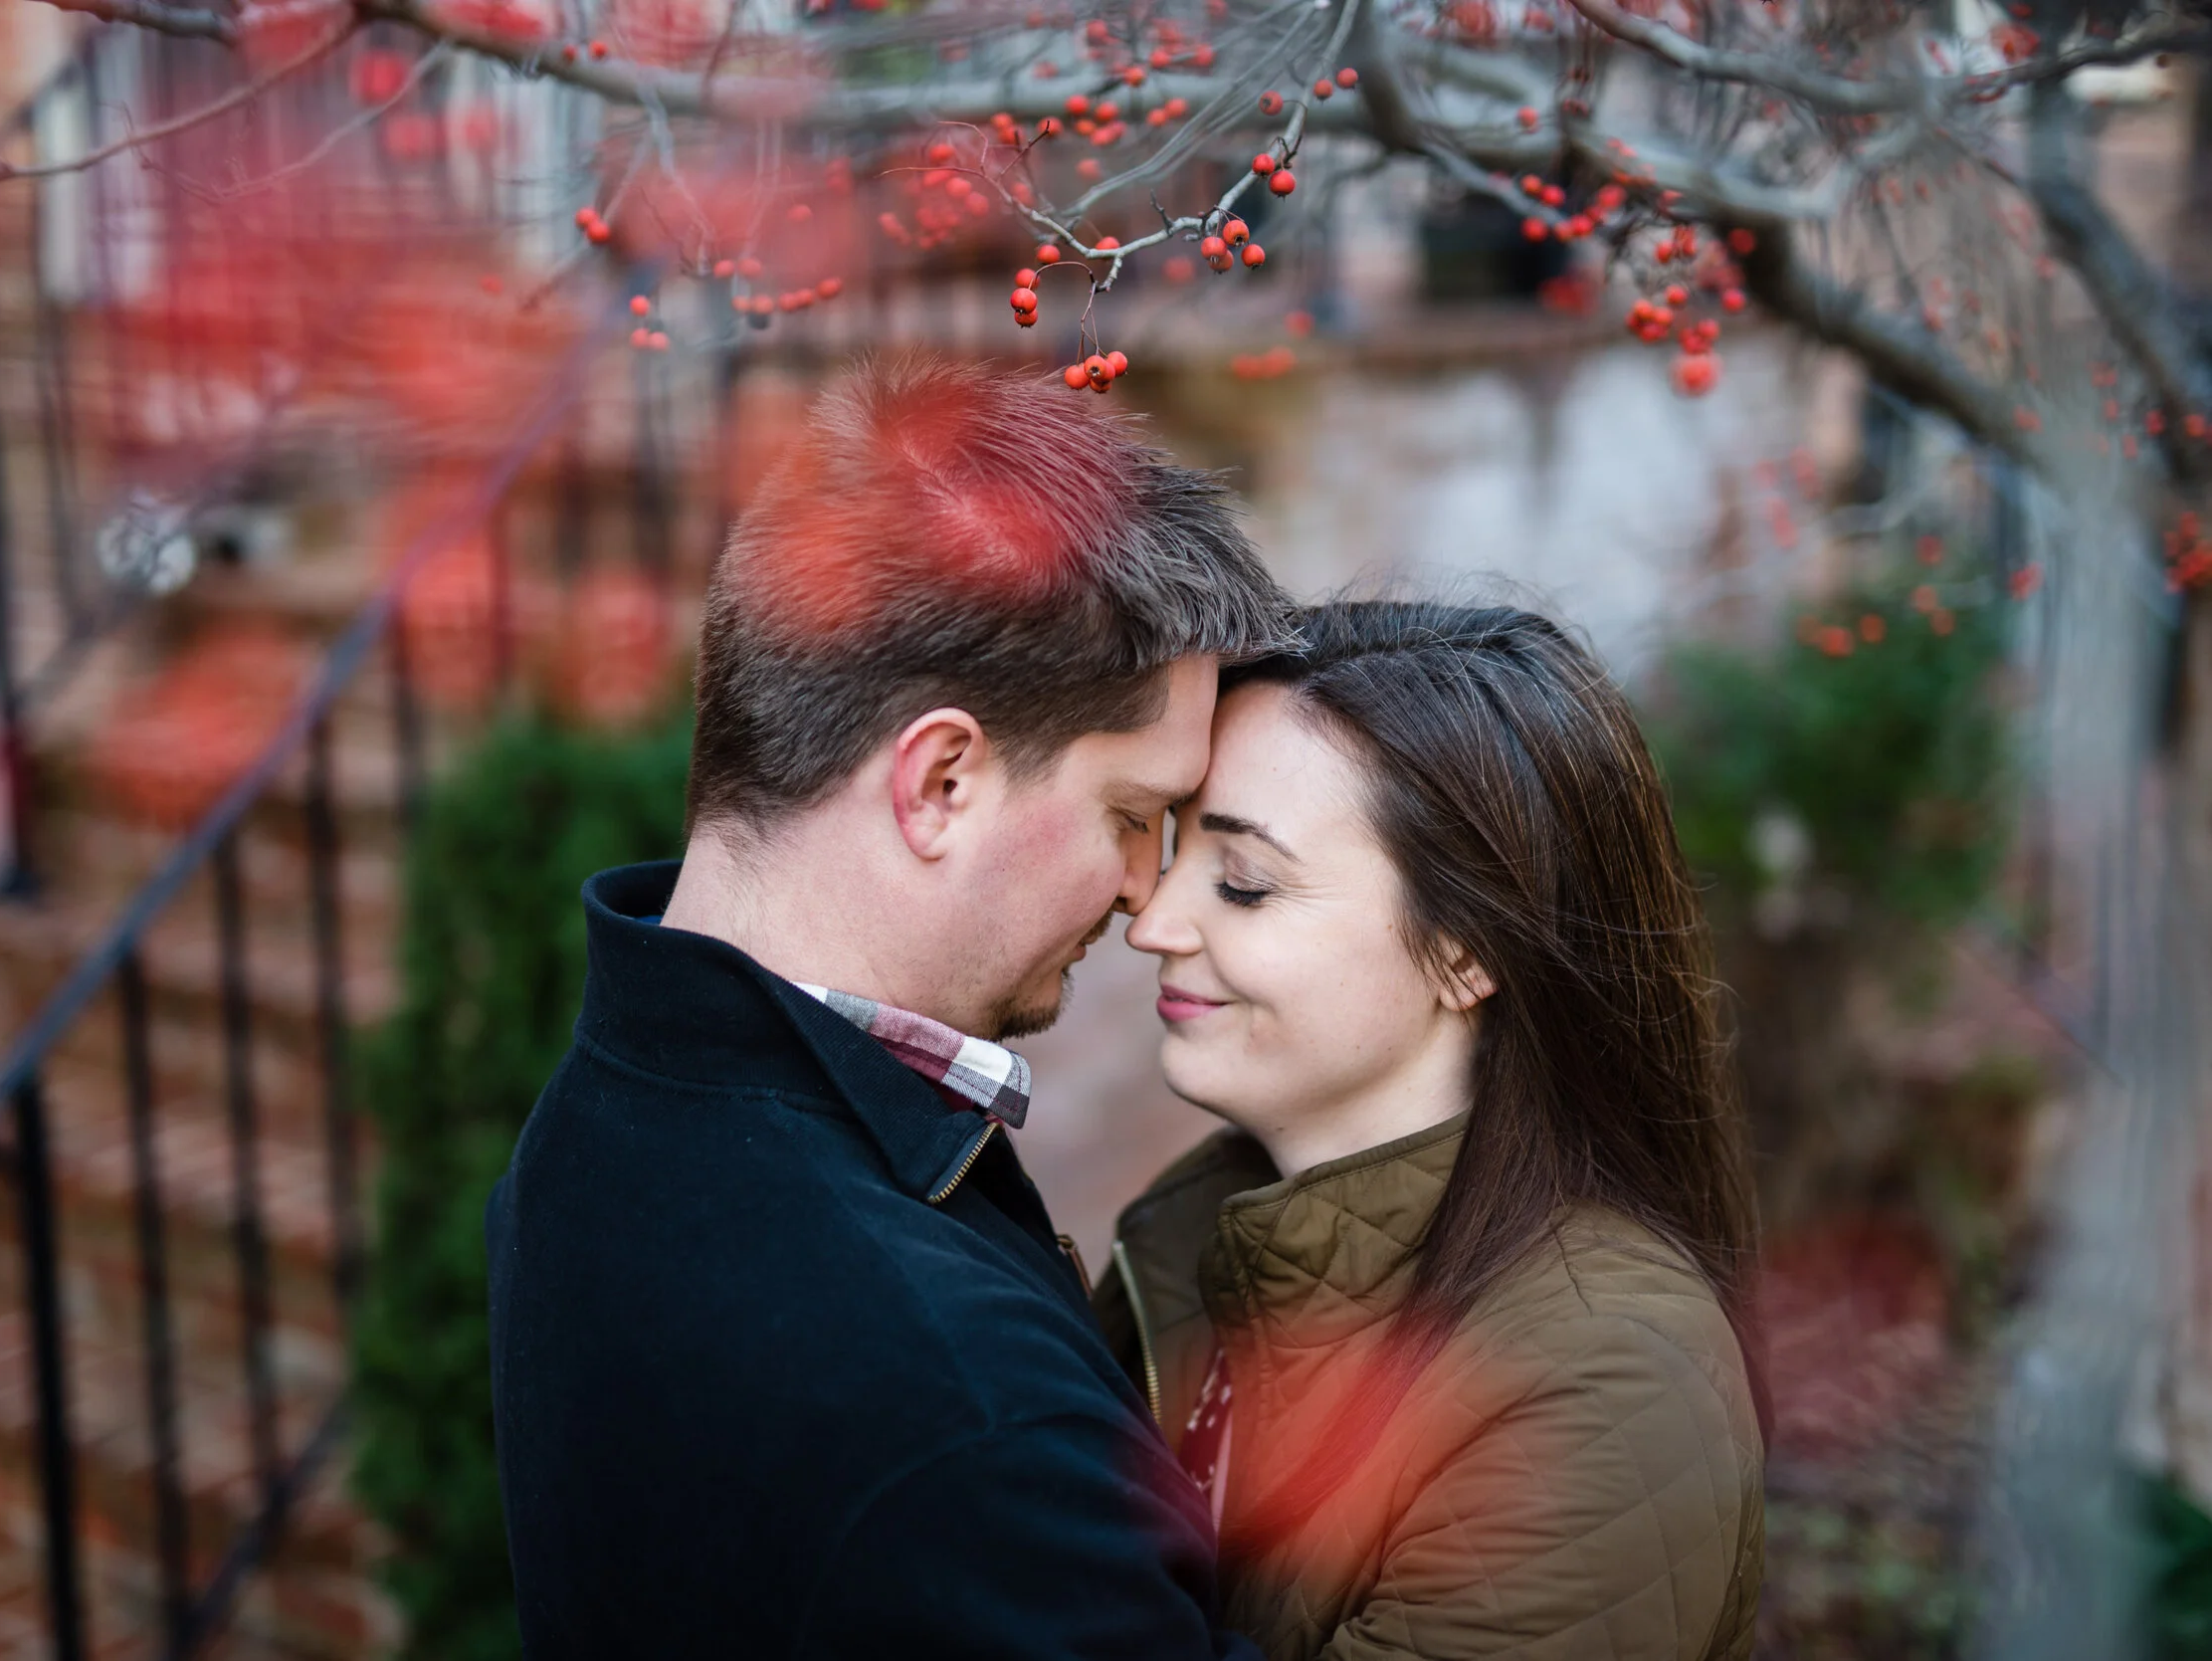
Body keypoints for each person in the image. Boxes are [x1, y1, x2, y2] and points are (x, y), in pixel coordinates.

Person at [485, 353, 1295, 1658]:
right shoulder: (964, 1410)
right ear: (941, 784)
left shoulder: (597, 1121)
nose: (1149, 900)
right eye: (1133, 817)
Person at [1100, 599, 1769, 1661]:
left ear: (1464, 951)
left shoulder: (1605, 1383)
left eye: (1243, 882)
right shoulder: (1187, 1237)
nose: (1152, 922)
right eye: (1175, 850)